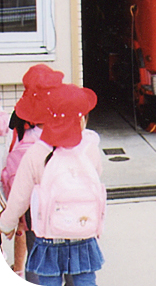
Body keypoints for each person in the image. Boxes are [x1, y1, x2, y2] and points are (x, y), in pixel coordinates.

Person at [0, 82, 105, 286]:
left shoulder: (37, 152)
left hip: (48, 237)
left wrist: (6, 224)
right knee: (85, 279)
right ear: (81, 120)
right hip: (83, 234)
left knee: (48, 280)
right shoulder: (90, 149)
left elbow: (20, 197)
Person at [1, 64, 64, 283]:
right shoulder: (64, 122)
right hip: (63, 208)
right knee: (65, 259)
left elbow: (13, 177)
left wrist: (11, 215)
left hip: (31, 211)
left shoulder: (21, 122)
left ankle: (22, 273)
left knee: (37, 257)